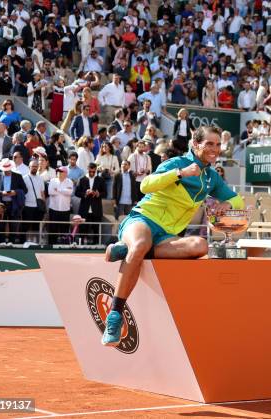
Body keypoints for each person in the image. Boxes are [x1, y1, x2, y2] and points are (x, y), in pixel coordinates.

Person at [101, 126, 244, 346]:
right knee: (140, 244)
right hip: (142, 219)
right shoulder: (176, 163)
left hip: (167, 235)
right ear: (195, 145)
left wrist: (222, 205)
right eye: (209, 144)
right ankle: (115, 315)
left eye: (217, 144)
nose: (215, 149)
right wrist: (181, 173)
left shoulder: (212, 178)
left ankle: (125, 250)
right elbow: (146, 186)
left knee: (200, 245)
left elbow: (238, 201)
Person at [0, 158, 27, 243]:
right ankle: (1, 244)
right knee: (0, 226)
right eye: (5, 169)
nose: (7, 171)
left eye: (8, 169)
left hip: (13, 205)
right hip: (1, 205)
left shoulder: (18, 176)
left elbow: (25, 190)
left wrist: (15, 192)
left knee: (14, 226)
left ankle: (12, 244)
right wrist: (1, 193)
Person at [75, 163, 106, 244]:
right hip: (84, 209)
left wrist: (98, 194)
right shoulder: (81, 179)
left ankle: (96, 245)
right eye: (90, 171)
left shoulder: (101, 179)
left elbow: (105, 193)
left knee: (96, 229)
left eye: (93, 171)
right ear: (87, 169)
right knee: (83, 229)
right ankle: (81, 245)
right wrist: (85, 193)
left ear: (96, 170)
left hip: (96, 209)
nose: (92, 173)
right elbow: (77, 193)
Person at [47, 166, 74, 244]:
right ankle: (51, 245)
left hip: (65, 210)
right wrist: (63, 191)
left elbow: (69, 192)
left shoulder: (69, 181)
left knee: (64, 230)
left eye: (61, 172)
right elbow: (50, 192)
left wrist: (58, 189)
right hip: (53, 209)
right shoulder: (52, 180)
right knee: (52, 229)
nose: (58, 173)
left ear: (65, 173)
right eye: (58, 171)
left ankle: (64, 245)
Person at [22, 159, 46, 242]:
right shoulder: (24, 178)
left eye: (36, 166)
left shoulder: (40, 178)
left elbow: (42, 193)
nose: (34, 168)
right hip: (27, 206)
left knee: (36, 226)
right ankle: (23, 243)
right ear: (29, 167)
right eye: (33, 166)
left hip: (38, 207)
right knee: (25, 226)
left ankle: (35, 242)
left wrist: (44, 205)